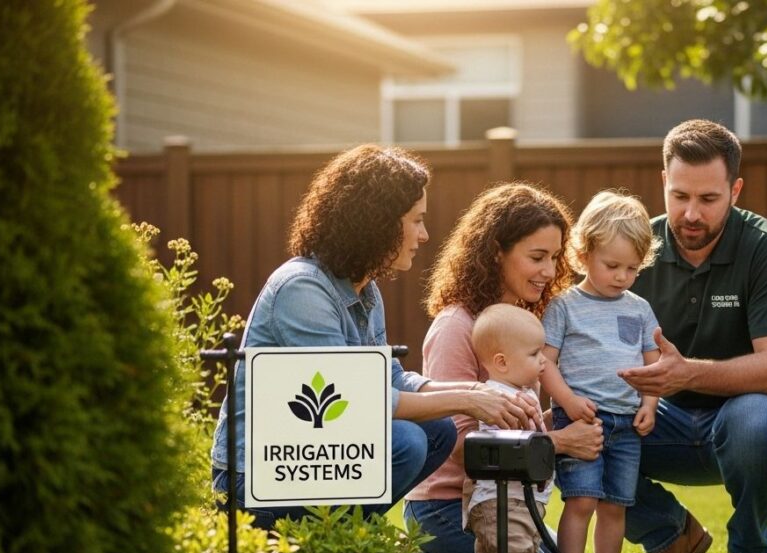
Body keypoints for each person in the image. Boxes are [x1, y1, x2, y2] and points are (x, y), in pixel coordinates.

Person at [210, 145, 536, 529]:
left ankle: (336, 541)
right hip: (256, 479)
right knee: (405, 442)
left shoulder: (364, 290)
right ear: (377, 222)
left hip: (311, 460)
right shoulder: (303, 289)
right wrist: (467, 399)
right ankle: (323, 545)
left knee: (437, 431)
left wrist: (481, 392)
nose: (425, 234)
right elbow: (351, 399)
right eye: (415, 221)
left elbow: (391, 380)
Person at [618, 119, 767, 553]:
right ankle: (669, 537)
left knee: (753, 419)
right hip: (664, 422)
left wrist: (684, 375)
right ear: (663, 182)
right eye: (680, 196)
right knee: (572, 429)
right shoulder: (635, 249)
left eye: (708, 199)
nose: (691, 214)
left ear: (736, 190)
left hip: (753, 426)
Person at [404, 183, 604, 553]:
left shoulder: (523, 321)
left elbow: (513, 424)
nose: (549, 271)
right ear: (496, 251)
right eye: (537, 257)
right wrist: (561, 443)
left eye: (554, 257)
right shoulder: (457, 327)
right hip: (447, 506)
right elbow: (458, 446)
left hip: (507, 499)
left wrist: (564, 419)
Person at [539, 191, 661, 553]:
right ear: (584, 252)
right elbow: (545, 362)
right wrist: (569, 403)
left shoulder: (639, 309)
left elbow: (653, 362)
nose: (622, 276)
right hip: (582, 420)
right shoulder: (564, 306)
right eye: (612, 265)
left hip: (626, 423)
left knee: (616, 503)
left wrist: (650, 403)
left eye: (632, 268)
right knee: (582, 500)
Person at [464, 304, 554, 553]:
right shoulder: (499, 398)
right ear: (502, 362)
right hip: (501, 500)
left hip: (520, 500)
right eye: (534, 354)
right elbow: (510, 443)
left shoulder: (519, 391)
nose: (543, 360)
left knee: (517, 552)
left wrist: (545, 421)